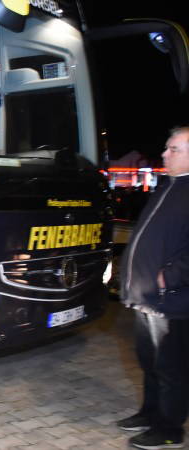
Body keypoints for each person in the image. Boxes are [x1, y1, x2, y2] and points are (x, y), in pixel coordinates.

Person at [116, 126, 189, 450]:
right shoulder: (167, 186)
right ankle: (150, 413)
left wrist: (168, 278)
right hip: (146, 298)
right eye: (167, 147)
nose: (164, 154)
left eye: (174, 149)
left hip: (171, 301)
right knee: (149, 363)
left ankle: (170, 430)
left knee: (171, 369)